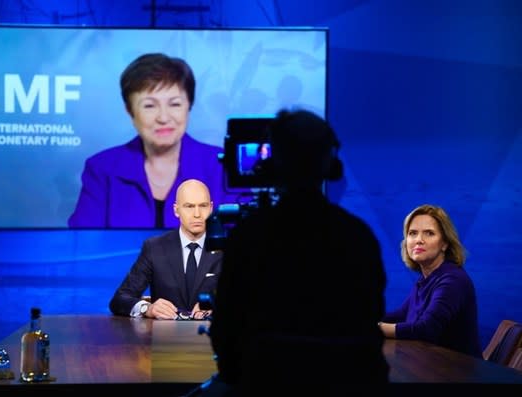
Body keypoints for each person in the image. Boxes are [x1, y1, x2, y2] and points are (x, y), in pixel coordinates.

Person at [203, 108, 390, 395]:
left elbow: (226, 329)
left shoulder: (249, 236)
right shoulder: (358, 236)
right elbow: (370, 319)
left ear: (272, 164)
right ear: (331, 164)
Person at [68, 53, 233, 228]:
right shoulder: (103, 169)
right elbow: (83, 244)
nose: (163, 117)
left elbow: (246, 242)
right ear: (130, 111)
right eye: (149, 106)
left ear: (189, 106)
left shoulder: (222, 165)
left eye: (175, 104)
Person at [378, 204, 482, 357]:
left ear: (444, 243)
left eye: (429, 233)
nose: (419, 240)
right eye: (412, 233)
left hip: (457, 373)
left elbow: (426, 329)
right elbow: (400, 315)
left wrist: (377, 327)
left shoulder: (453, 280)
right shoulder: (426, 279)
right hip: (430, 367)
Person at [109, 178, 220, 320]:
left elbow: (250, 298)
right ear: (176, 210)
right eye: (189, 206)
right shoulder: (155, 248)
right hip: (165, 337)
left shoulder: (228, 248)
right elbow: (120, 299)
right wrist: (147, 308)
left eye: (203, 206)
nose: (197, 214)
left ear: (211, 208)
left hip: (211, 337)